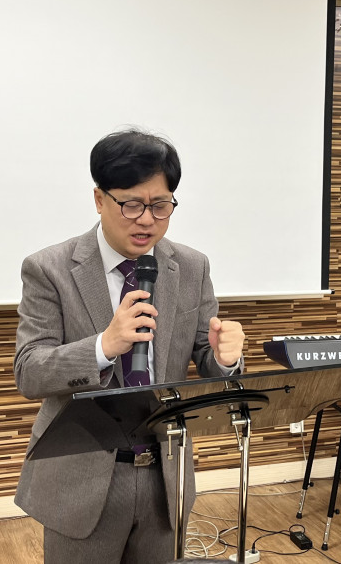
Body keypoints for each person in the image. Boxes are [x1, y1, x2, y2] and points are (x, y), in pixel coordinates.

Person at [13, 128, 246, 563]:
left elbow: (206, 359)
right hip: (80, 478)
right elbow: (29, 371)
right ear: (99, 199)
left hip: (165, 477)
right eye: (132, 205)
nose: (146, 220)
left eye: (160, 206)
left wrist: (223, 358)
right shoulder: (49, 269)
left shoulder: (191, 267)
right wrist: (103, 345)